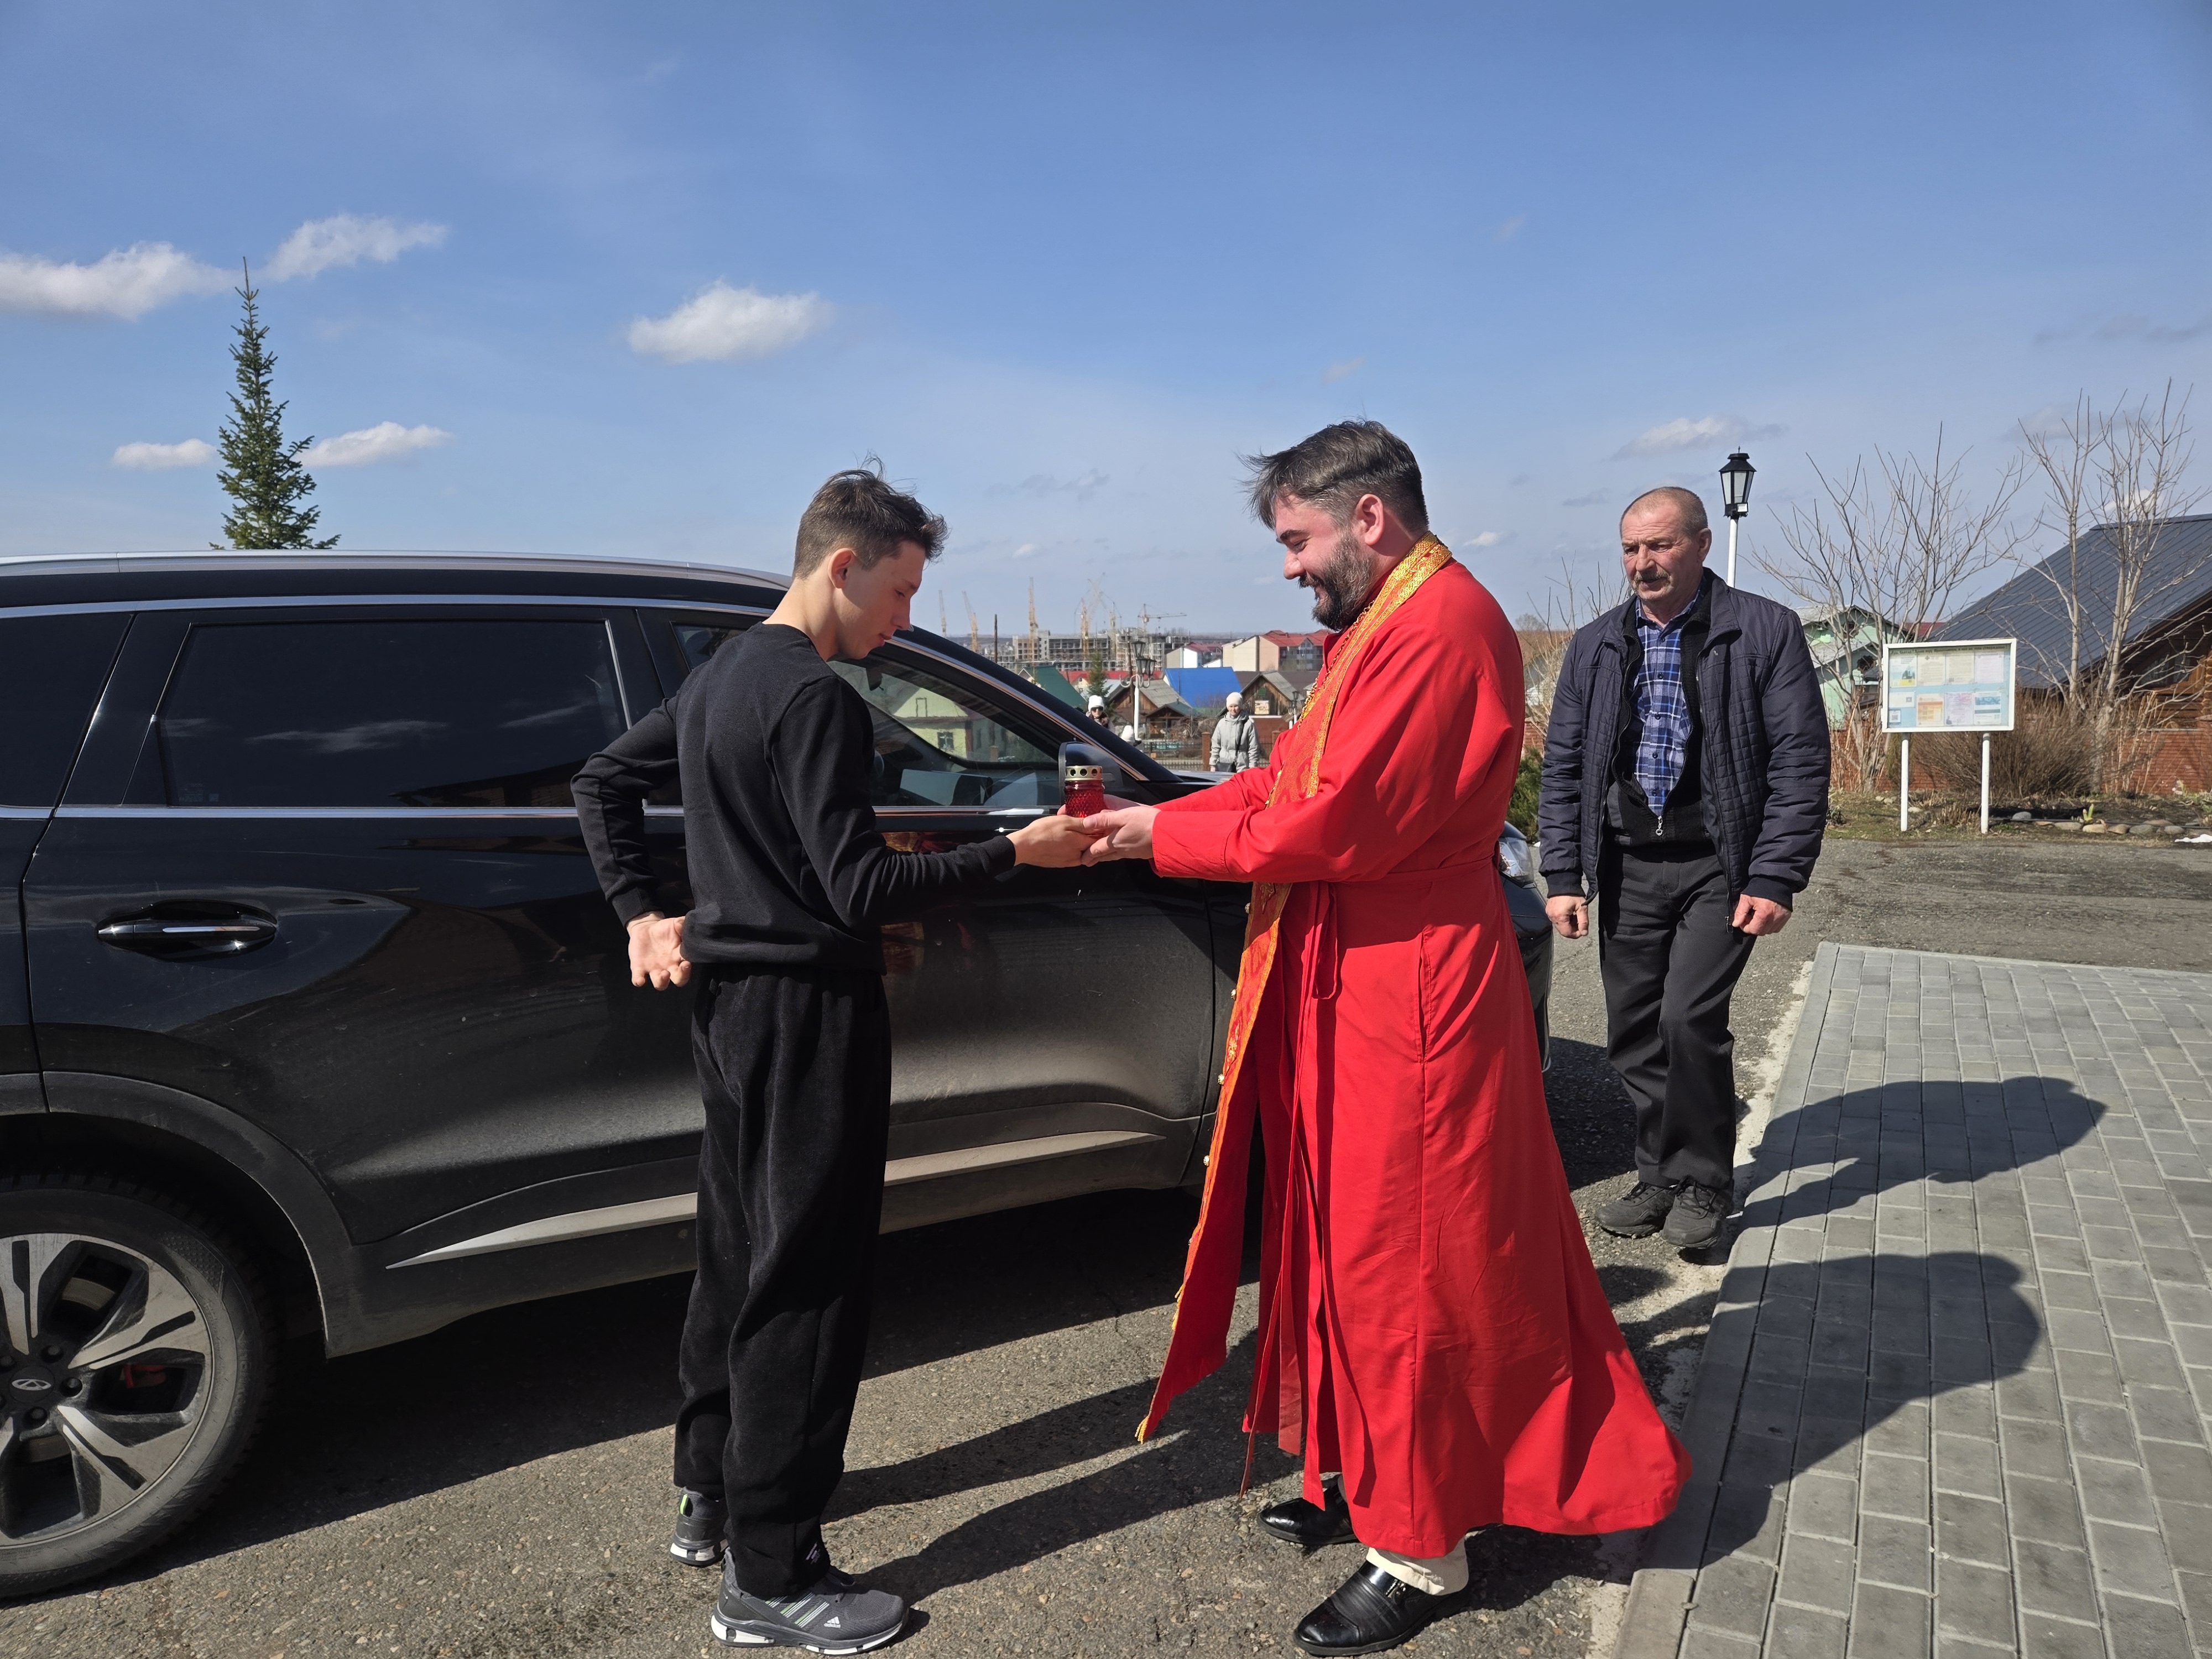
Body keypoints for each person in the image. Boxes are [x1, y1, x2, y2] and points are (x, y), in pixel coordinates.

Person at [1081, 422, 1687, 1658]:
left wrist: (1159, 840)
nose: (1289, 566)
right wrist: (1164, 811)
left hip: (1411, 989)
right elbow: (1286, 785)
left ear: (1369, 516)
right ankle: (1363, 1467)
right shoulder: (1386, 622)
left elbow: (1334, 820)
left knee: (1411, 1266)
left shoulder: (1442, 624)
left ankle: (1423, 1547)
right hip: (1356, 976)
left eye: (1297, 539)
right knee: (1339, 1243)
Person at [572, 467, 1092, 1655]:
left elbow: (602, 781)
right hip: (808, 1014)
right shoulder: (814, 698)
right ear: (842, 565)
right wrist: (1017, 851)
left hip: (729, 1014)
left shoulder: (720, 678)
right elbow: (858, 890)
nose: (902, 623)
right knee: (806, 1281)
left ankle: (710, 1491)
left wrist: (640, 914)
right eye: (899, 594)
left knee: (736, 1253)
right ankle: (772, 1575)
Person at [1537, 486, 1828, 1250]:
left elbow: (1800, 761)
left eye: (1660, 546)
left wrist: (1775, 875)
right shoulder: (1598, 643)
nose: (1643, 563)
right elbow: (1565, 765)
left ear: (1700, 544)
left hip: (1718, 865)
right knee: (1634, 1031)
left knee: (1688, 1018)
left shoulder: (1762, 630)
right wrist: (1562, 875)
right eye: (1631, 549)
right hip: (1627, 863)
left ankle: (1704, 1181)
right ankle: (1659, 1174)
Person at [1209, 690, 1261, 771]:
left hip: (1242, 766)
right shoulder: (1222, 724)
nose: (1233, 709)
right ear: (1228, 707)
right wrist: (1213, 764)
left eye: (1236, 706)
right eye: (1231, 706)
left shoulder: (1248, 724)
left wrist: (1253, 765)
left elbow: (1253, 747)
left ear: (1240, 706)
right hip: (1224, 765)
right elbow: (1216, 745)